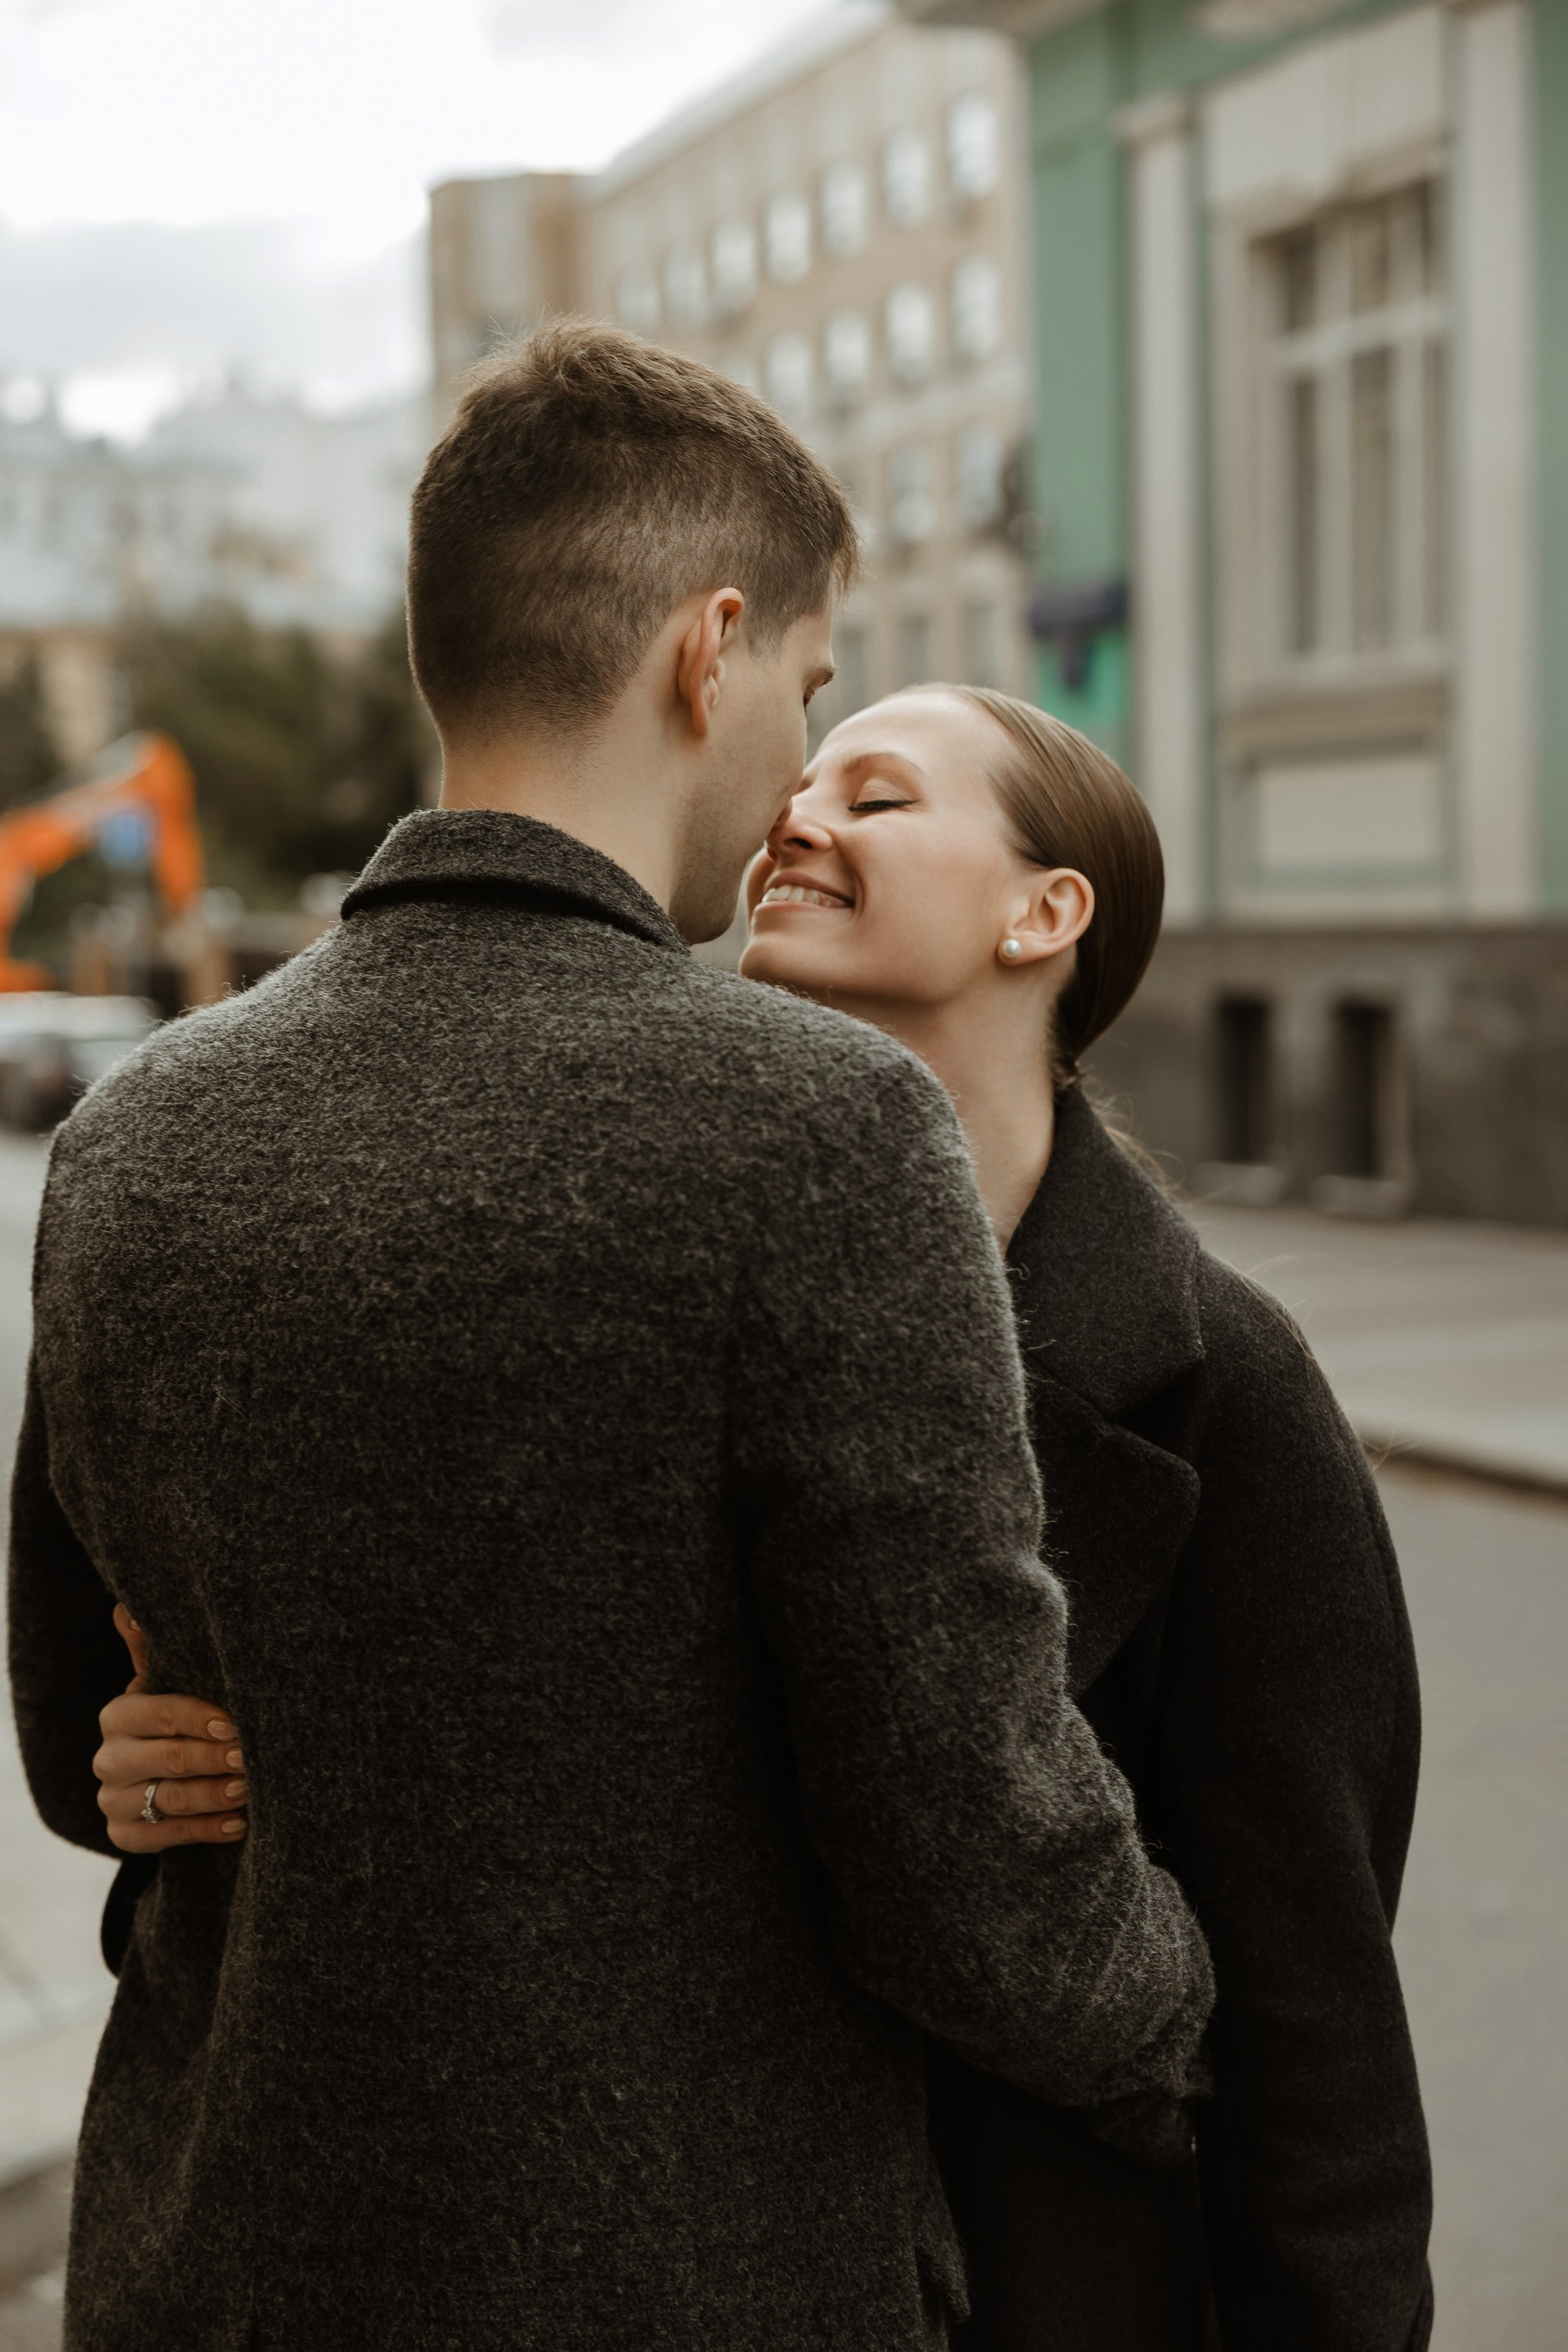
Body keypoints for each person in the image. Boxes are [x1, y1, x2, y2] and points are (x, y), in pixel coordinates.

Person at [8, 325, 1212, 2352]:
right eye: (811, 689)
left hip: (207, 2267)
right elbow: (965, 1842)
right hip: (687, 2284)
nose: (794, 766)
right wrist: (1176, 2006)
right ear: (706, 650)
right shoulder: (813, 1133)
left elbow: (76, 1726)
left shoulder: (136, 1135)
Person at [96, 679, 1433, 2348]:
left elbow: (1316, 2016)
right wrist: (172, 1763)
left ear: (1047, 910)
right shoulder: (645, 1261)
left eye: (876, 798)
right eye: (799, 783)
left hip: (1050, 2285)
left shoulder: (1222, 1386)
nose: (797, 815)